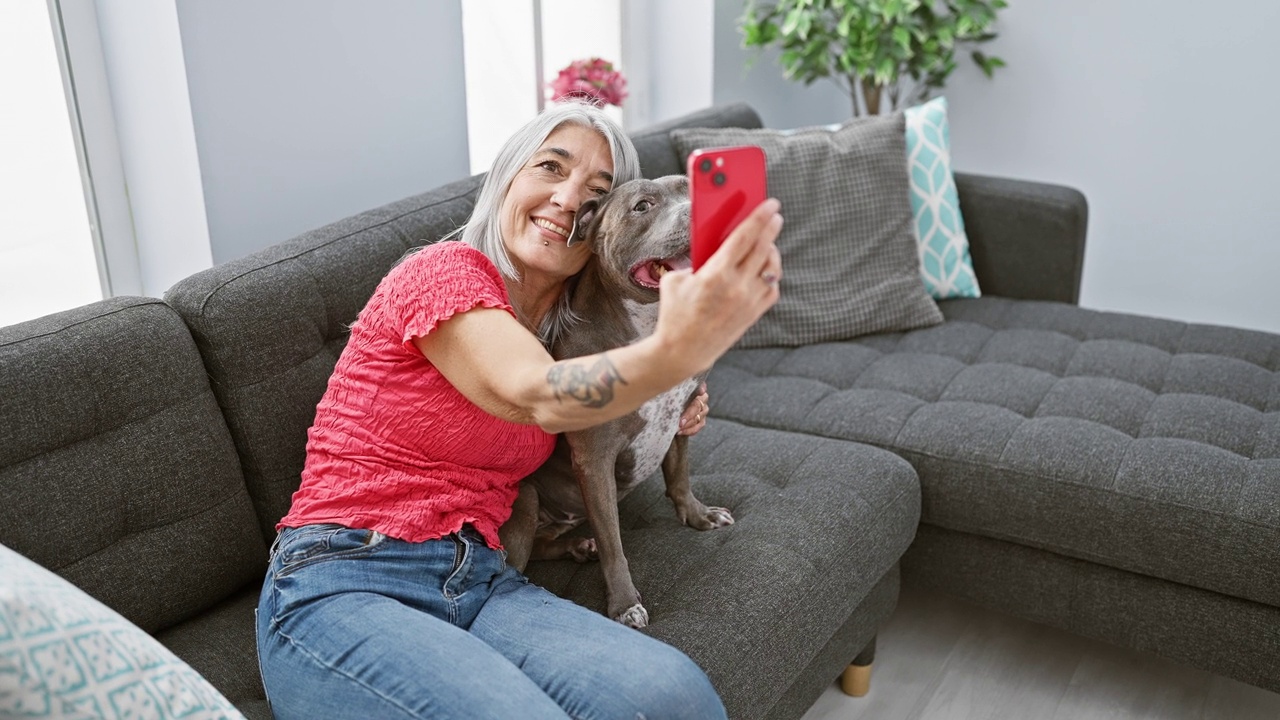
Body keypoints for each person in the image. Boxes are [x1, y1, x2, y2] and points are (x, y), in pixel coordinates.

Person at [254, 99, 783, 720]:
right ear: (506, 178)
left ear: (601, 227)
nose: (566, 199)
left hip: (483, 576)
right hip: (346, 575)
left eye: (594, 191)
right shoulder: (440, 273)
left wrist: (672, 397)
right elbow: (535, 393)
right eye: (550, 168)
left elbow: (591, 407)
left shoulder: (566, 333)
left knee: (676, 698)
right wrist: (677, 354)